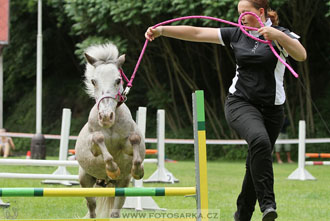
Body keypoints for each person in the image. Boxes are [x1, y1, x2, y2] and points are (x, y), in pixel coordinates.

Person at [145, 0, 306, 220]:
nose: (240, 17)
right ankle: (268, 205)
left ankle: (242, 215)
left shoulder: (279, 35)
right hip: (240, 103)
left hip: (272, 110)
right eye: (238, 13)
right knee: (260, 142)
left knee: (255, 162)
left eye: (245, 13)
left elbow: (301, 55)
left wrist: (277, 36)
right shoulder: (237, 34)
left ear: (260, 12)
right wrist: (162, 31)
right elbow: (197, 33)